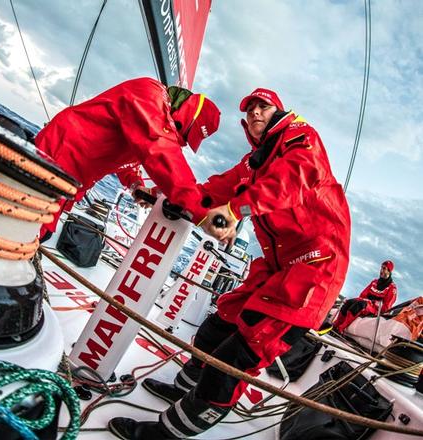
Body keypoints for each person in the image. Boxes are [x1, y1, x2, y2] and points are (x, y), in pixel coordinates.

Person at [108, 88, 351, 439]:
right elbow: (216, 189)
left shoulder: (301, 140)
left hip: (314, 270)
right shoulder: (253, 164)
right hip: (277, 264)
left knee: (237, 356)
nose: (255, 113)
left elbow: (292, 180)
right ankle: (185, 389)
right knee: (217, 327)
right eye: (249, 109)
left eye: (263, 106)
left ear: (278, 112)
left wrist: (236, 210)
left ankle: (168, 433)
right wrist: (172, 198)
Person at [35, 77, 221, 241]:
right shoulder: (149, 93)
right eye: (186, 134)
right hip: (57, 161)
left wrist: (136, 184)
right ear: (183, 117)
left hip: (71, 178)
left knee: (41, 232)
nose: (182, 141)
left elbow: (129, 158)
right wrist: (199, 210)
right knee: (32, 230)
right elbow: (160, 149)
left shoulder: (154, 114)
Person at [333, 260, 398, 333]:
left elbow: (387, 306)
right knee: (349, 302)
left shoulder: (392, 288)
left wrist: (375, 305)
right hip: (366, 303)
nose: (381, 270)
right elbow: (363, 294)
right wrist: (362, 300)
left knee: (360, 304)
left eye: (384, 268)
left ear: (389, 271)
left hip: (375, 309)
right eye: (381, 268)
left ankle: (341, 328)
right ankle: (335, 324)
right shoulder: (375, 282)